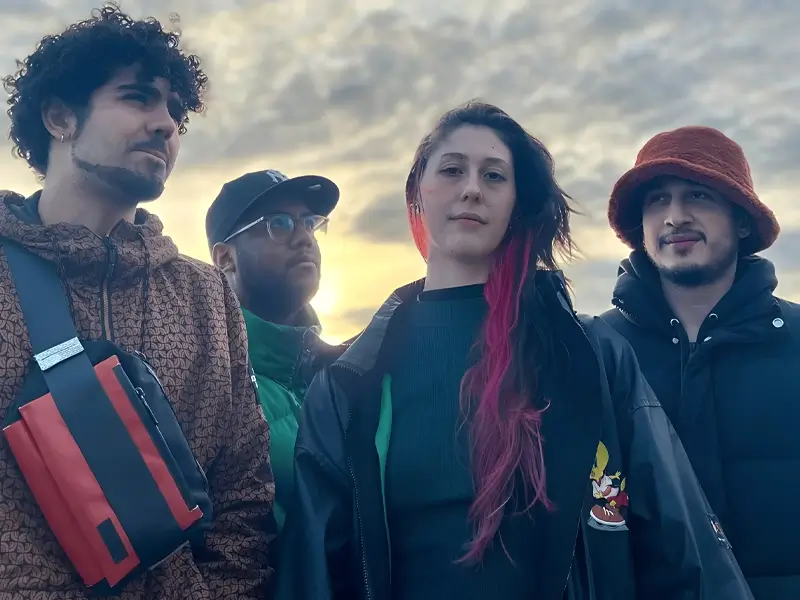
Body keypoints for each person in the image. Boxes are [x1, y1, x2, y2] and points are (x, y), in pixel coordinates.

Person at [276, 102, 753, 600]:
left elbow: (682, 550)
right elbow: (314, 570)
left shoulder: (590, 356)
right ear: (418, 191)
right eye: (453, 169)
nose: (472, 188)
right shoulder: (350, 382)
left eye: (495, 176)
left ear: (517, 203)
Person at [0, 6, 274, 599]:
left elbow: (244, 501)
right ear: (58, 116)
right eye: (137, 98)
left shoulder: (206, 297)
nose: (165, 124)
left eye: (175, 110)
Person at [602, 126, 797, 599]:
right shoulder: (600, 350)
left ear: (743, 220)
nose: (675, 217)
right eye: (657, 200)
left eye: (699, 195)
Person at [206, 169, 350, 535]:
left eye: (310, 223)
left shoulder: (346, 376)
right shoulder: (210, 383)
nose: (304, 238)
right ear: (225, 258)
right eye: (279, 224)